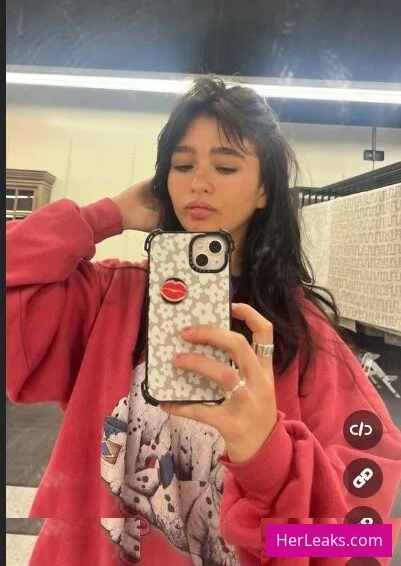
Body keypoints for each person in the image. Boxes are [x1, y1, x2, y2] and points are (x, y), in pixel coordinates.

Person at [6, 76, 401, 566]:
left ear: (264, 191)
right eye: (183, 165)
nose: (199, 182)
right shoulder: (108, 298)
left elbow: (361, 541)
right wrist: (104, 216)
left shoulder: (301, 335)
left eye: (226, 166)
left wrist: (267, 459)